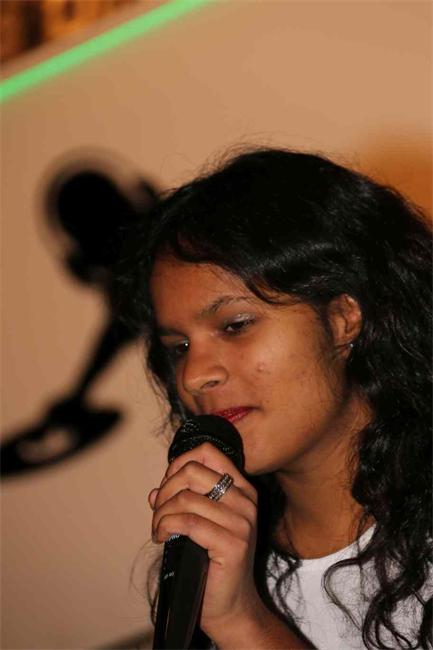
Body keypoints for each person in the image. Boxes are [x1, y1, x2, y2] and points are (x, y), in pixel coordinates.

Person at [115, 148, 432, 649]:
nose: (195, 376)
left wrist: (245, 624)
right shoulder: (219, 564)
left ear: (342, 318)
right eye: (178, 348)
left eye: (235, 325)